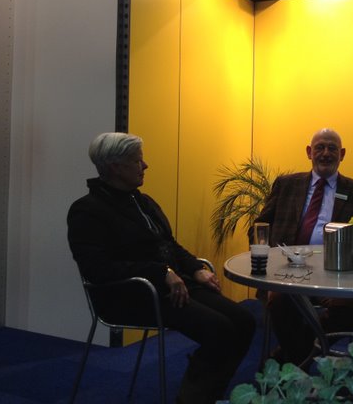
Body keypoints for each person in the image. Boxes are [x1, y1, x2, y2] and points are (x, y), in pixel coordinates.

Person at [68, 132, 255, 404]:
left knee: (245, 321)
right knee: (220, 330)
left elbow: (169, 245)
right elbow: (97, 269)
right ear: (115, 167)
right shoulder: (86, 211)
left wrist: (195, 268)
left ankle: (209, 393)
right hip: (131, 294)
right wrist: (161, 272)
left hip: (172, 286)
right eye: (137, 161)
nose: (145, 166)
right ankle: (192, 399)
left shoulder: (142, 201)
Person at [250, 128, 353, 364]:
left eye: (332, 148)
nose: (325, 153)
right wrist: (266, 260)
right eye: (319, 148)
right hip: (286, 273)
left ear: (342, 154)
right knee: (280, 301)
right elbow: (259, 227)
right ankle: (304, 357)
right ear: (309, 152)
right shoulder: (286, 185)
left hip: (334, 277)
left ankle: (293, 356)